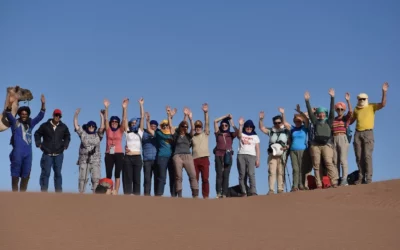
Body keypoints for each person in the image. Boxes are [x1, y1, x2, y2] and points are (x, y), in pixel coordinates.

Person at [350, 82, 388, 184]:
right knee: (359, 156)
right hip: (358, 133)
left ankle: (369, 178)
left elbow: (383, 104)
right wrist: (344, 123)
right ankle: (361, 178)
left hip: (368, 133)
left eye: (363, 99)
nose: (361, 100)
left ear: (366, 99)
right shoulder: (356, 109)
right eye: (360, 99)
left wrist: (384, 92)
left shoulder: (371, 106)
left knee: (367, 155)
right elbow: (351, 120)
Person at [5, 93, 45, 192]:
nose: (24, 115)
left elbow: (40, 116)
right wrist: (10, 103)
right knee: (15, 173)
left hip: (28, 154)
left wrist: (43, 104)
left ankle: (23, 198)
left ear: (27, 115)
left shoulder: (30, 123)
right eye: (22, 114)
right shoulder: (15, 122)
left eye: (25, 114)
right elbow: (8, 113)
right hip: (17, 153)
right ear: (19, 114)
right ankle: (14, 196)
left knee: (26, 174)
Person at [304, 89, 339, 188]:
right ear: (318, 114)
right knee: (316, 165)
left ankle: (334, 181)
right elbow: (311, 115)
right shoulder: (315, 121)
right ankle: (318, 184)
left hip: (327, 144)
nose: (321, 114)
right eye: (320, 113)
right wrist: (307, 101)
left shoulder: (329, 121)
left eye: (323, 113)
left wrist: (332, 98)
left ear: (325, 114)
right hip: (315, 145)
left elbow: (332, 111)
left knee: (328, 162)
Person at [34, 108, 71, 192]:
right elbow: (37, 133)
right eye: (56, 115)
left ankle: (58, 194)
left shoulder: (63, 127)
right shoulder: (45, 125)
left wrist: (65, 144)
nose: (57, 117)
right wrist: (38, 143)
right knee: (45, 173)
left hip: (59, 154)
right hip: (47, 153)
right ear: (53, 115)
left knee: (58, 174)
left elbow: (67, 136)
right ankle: (44, 192)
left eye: (59, 116)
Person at [146, 107, 178, 197]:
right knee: (162, 177)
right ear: (161, 126)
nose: (165, 126)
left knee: (173, 177)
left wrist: (170, 116)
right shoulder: (159, 133)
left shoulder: (173, 132)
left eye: (166, 125)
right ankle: (159, 195)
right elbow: (149, 130)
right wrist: (147, 120)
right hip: (162, 157)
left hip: (171, 157)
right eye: (163, 125)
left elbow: (172, 126)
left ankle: (174, 195)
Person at [169, 107, 199, 198]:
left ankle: (195, 195)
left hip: (187, 156)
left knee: (193, 175)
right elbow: (170, 126)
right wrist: (170, 116)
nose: (185, 127)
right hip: (177, 156)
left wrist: (190, 119)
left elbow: (193, 129)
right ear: (180, 127)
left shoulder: (188, 136)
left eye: (186, 127)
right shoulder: (176, 135)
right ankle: (180, 195)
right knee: (178, 176)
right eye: (183, 126)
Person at [73, 108, 105, 193]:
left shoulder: (98, 135)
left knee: (96, 180)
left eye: (93, 126)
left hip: (95, 161)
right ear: (87, 127)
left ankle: (95, 198)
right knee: (82, 179)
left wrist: (102, 117)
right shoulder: (83, 134)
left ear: (95, 127)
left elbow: (102, 128)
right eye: (90, 126)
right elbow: (76, 127)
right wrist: (76, 115)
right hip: (84, 161)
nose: (91, 127)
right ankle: (81, 196)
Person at [259, 109, 290, 194]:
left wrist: (283, 114)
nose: (277, 124)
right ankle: (271, 189)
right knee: (272, 171)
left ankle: (280, 189)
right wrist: (261, 119)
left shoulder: (286, 130)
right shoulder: (271, 131)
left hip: (282, 153)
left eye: (279, 122)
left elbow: (289, 143)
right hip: (272, 153)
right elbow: (262, 128)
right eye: (275, 123)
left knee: (281, 171)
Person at [103, 98, 128, 195]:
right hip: (109, 153)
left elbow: (124, 119)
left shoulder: (120, 130)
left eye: (116, 122)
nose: (114, 123)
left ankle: (116, 191)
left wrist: (124, 108)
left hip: (118, 153)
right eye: (112, 121)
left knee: (117, 173)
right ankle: (109, 189)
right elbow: (106, 119)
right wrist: (106, 108)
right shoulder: (108, 130)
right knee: (108, 173)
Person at [282, 105, 309, 191]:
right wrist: (283, 113)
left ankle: (301, 185)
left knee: (302, 168)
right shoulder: (292, 128)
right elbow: (284, 123)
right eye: (296, 121)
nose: (298, 122)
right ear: (294, 121)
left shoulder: (304, 128)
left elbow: (307, 120)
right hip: (293, 150)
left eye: (299, 121)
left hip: (303, 150)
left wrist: (300, 112)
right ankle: (295, 186)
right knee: (295, 168)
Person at [123, 98, 145, 195]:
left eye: (135, 123)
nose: (133, 124)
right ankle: (127, 197)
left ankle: (136, 198)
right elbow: (124, 119)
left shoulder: (140, 132)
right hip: (128, 157)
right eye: (132, 123)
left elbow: (142, 117)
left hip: (137, 157)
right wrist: (125, 108)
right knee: (128, 178)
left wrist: (141, 105)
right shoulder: (127, 132)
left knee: (137, 178)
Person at [213, 114, 238, 198]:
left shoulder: (231, 134)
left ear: (228, 126)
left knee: (226, 175)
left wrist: (231, 121)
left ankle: (224, 194)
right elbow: (215, 121)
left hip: (228, 155)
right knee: (219, 174)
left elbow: (238, 132)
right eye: (223, 125)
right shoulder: (218, 133)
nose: (224, 126)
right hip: (218, 155)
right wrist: (225, 116)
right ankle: (218, 193)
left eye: (226, 125)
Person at [332, 93, 352, 186]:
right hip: (334, 138)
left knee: (343, 160)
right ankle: (336, 179)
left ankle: (344, 179)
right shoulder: (333, 119)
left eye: (341, 109)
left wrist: (348, 101)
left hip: (343, 138)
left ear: (344, 110)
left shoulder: (345, 118)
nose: (339, 110)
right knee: (335, 160)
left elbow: (351, 112)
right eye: (338, 109)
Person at [237, 117, 260, 196]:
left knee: (251, 173)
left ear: (252, 128)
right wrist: (240, 125)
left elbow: (257, 148)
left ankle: (253, 191)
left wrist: (258, 159)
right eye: (247, 126)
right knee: (242, 174)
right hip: (241, 155)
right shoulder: (242, 133)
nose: (249, 128)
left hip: (252, 155)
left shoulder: (255, 136)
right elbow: (239, 135)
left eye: (250, 127)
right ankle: (243, 191)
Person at [192, 103, 210, 199]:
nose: (198, 128)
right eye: (196, 127)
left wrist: (206, 113)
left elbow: (207, 123)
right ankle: (195, 196)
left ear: (202, 128)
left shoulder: (205, 134)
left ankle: (205, 196)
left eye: (199, 127)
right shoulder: (193, 137)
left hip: (204, 158)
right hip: (194, 159)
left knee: (205, 178)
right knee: (195, 179)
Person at [143, 112, 159, 196]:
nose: (153, 127)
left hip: (156, 160)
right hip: (147, 160)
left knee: (157, 179)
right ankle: (146, 195)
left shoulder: (158, 134)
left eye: (154, 126)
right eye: (151, 126)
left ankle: (157, 196)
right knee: (147, 179)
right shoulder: (144, 134)